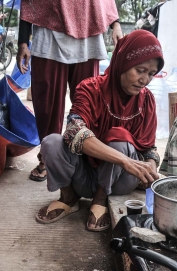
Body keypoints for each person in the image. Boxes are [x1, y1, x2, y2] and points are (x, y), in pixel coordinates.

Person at [35, 30, 163, 232]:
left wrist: (149, 169)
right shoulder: (89, 89)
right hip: (82, 177)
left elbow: (149, 149)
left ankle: (100, 200)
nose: (144, 80)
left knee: (120, 139)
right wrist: (126, 161)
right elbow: (73, 133)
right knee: (51, 142)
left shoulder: (146, 100)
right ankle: (68, 198)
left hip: (120, 181)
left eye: (151, 74)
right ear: (122, 61)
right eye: (140, 70)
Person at [16, 0, 123, 182]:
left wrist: (116, 23)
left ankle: (87, 159)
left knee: (89, 104)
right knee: (47, 105)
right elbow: (30, 3)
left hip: (88, 32)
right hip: (49, 33)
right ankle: (48, 159)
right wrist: (23, 42)